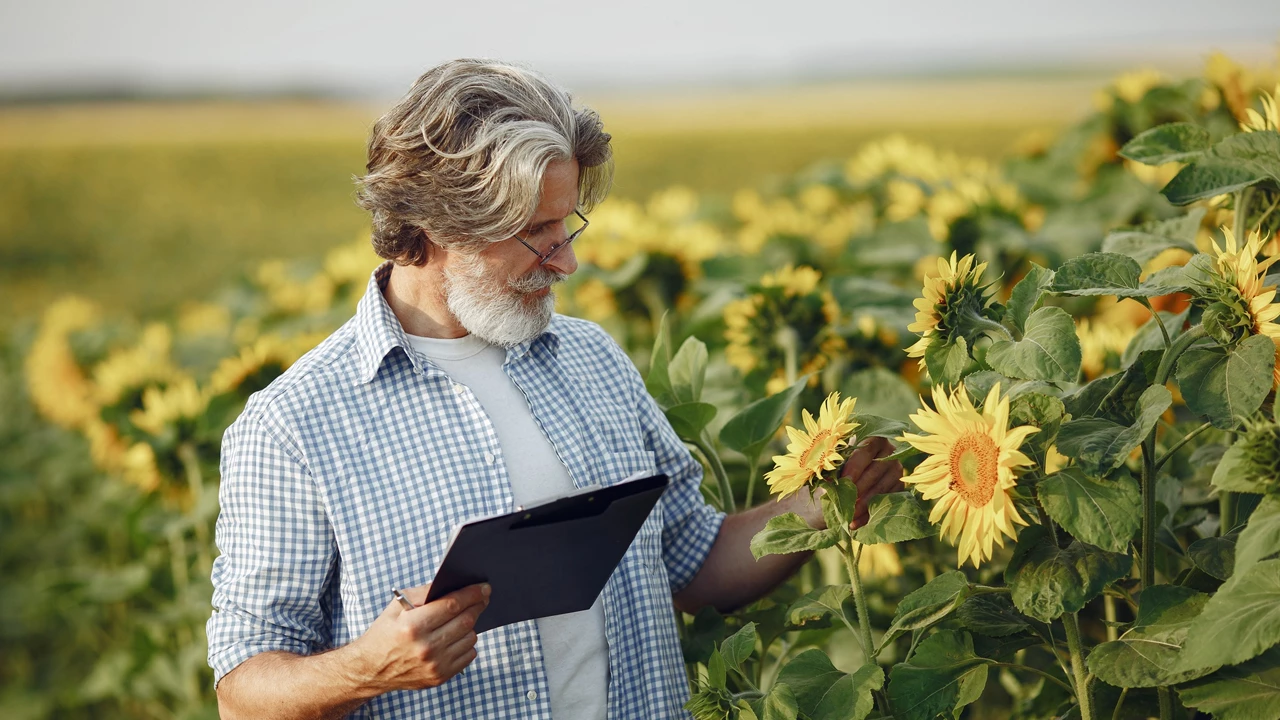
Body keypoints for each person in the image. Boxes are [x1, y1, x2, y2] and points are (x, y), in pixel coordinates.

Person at [207, 58, 904, 720]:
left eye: (567, 225)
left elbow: (695, 564)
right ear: (440, 224)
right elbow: (242, 695)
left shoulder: (592, 360)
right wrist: (368, 666)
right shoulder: (294, 426)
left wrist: (824, 503)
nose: (567, 261)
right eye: (537, 234)